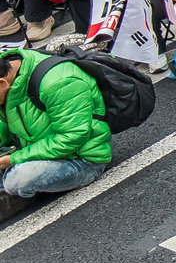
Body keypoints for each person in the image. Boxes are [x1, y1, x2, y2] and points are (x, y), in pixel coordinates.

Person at [0, 46, 113, 219]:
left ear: (2, 83)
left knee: (19, 179)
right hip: (32, 147)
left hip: (80, 159)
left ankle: (21, 189)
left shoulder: (59, 81)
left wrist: (14, 159)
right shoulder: (9, 78)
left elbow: (71, 138)